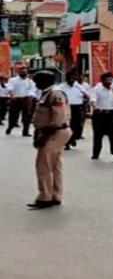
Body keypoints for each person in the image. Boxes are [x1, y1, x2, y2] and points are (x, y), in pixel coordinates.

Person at [27, 71, 71, 209]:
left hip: (54, 132)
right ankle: (55, 195)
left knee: (43, 165)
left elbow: (58, 116)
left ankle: (45, 196)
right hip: (54, 131)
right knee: (54, 165)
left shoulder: (55, 94)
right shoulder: (49, 93)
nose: (35, 84)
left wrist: (45, 134)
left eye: (37, 81)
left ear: (45, 81)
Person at [89, 72, 113, 161]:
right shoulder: (97, 88)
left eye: (110, 79)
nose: (109, 82)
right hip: (100, 114)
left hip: (112, 114)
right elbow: (93, 99)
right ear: (102, 81)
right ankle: (96, 153)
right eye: (107, 80)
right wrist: (95, 107)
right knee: (98, 135)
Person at [58, 71, 89, 150]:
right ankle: (67, 142)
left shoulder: (79, 87)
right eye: (70, 78)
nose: (71, 80)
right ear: (66, 78)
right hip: (67, 107)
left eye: (73, 78)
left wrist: (86, 97)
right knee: (68, 125)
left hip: (78, 107)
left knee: (77, 125)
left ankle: (73, 138)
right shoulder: (61, 87)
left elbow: (87, 96)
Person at [6, 67, 36, 136]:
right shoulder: (13, 80)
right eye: (22, 72)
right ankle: (10, 127)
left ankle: (25, 131)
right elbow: (10, 88)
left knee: (27, 116)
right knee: (13, 115)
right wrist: (12, 94)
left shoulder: (29, 81)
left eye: (25, 72)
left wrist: (31, 95)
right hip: (16, 100)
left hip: (26, 100)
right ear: (19, 72)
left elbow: (32, 89)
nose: (24, 73)